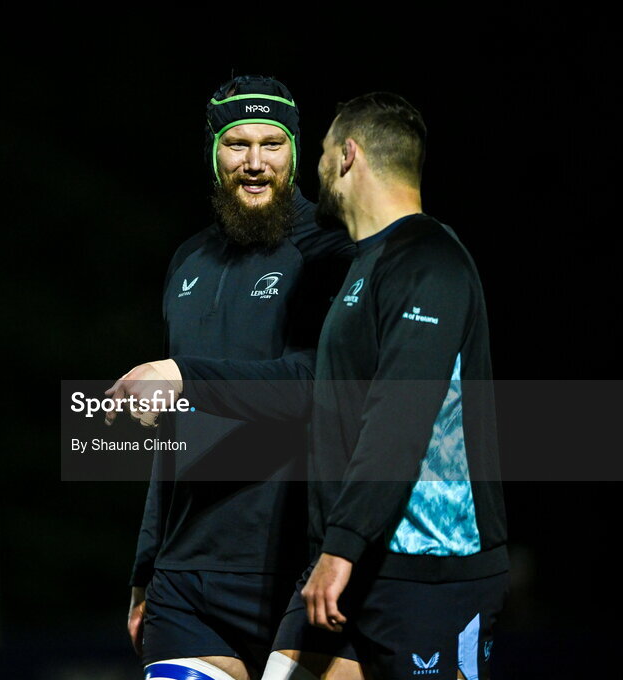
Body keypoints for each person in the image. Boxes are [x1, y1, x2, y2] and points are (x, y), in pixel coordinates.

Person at [106, 75, 355, 680]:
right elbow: (171, 429)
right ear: (212, 152)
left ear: (296, 151)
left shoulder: (332, 248)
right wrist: (146, 569)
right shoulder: (188, 261)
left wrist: (184, 375)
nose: (254, 164)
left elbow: (313, 385)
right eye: (236, 145)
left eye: (271, 145)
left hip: (302, 570)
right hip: (189, 581)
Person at [264, 93, 509, 680]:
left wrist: (341, 545)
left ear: (348, 155)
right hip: (352, 566)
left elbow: (402, 413)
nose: (315, 169)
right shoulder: (364, 265)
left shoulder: (430, 259)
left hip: (431, 574)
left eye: (321, 153)